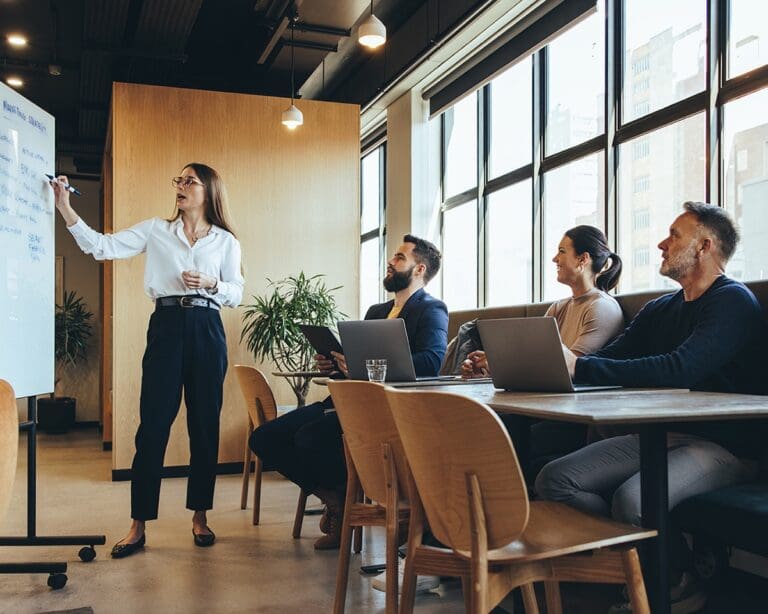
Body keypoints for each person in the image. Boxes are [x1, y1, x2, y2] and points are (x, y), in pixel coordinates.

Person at [535, 202, 767, 613]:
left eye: (674, 235)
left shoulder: (733, 302)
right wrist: (554, 365)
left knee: (634, 500)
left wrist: (582, 366)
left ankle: (674, 584)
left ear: (704, 247)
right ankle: (641, 563)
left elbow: (682, 368)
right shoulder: (663, 308)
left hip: (726, 446)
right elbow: (614, 358)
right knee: (556, 479)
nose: (661, 243)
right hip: (661, 436)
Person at [50, 164, 244, 558]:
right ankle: (138, 526)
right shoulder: (157, 229)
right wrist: (64, 207)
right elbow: (101, 247)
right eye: (179, 180)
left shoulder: (225, 241)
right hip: (167, 327)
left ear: (208, 191)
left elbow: (237, 292)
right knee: (152, 427)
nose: (181, 186)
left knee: (204, 426)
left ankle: (200, 517)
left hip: (208, 328)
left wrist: (211, 284)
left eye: (189, 181)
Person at [249, 235, 447, 550]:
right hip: (346, 402)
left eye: (399, 257)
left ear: (419, 269)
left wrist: (365, 364)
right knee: (263, 438)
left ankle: (345, 500)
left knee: (309, 437)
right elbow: (357, 368)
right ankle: (338, 499)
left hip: (386, 411)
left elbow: (432, 362)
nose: (390, 262)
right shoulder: (376, 311)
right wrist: (337, 364)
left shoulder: (431, 310)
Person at [462, 225, 625, 478]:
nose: (554, 258)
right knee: (471, 427)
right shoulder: (558, 308)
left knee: (492, 436)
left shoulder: (603, 308)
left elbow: (570, 369)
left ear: (583, 259)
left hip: (574, 420)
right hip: (545, 411)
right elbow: (537, 365)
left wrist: (504, 363)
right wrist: (490, 365)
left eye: (562, 251)